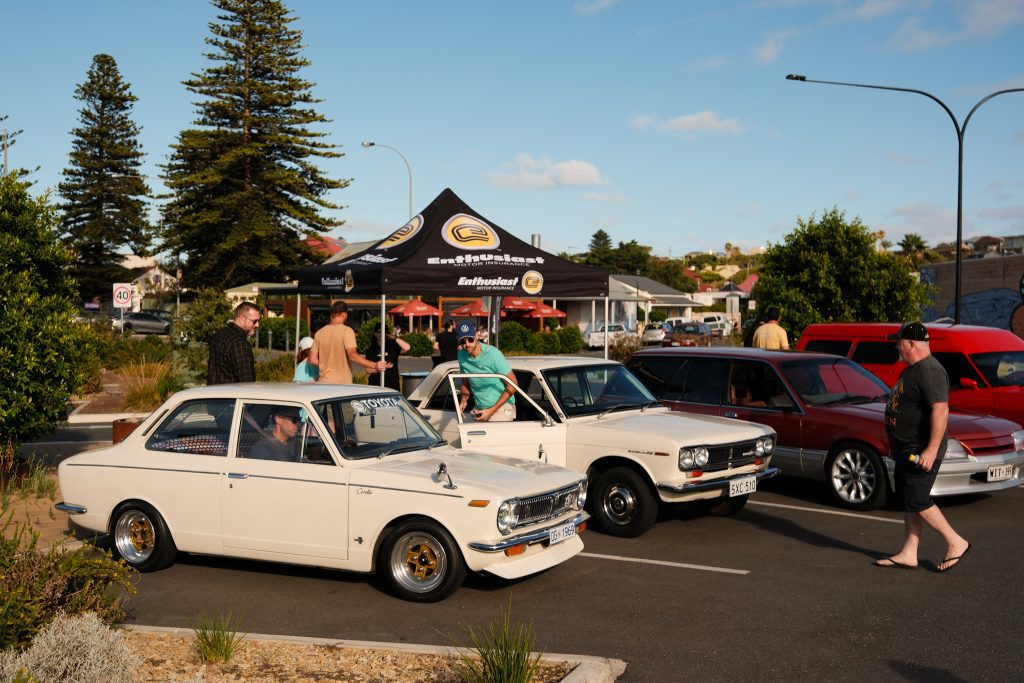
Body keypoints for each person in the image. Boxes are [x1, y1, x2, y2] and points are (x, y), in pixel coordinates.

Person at [875, 322, 971, 572]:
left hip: (921, 450)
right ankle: (909, 552)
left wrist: (930, 450)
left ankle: (955, 542)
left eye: (898, 342)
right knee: (909, 500)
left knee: (917, 498)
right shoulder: (913, 369)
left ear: (910, 344)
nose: (896, 346)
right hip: (907, 448)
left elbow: (941, 410)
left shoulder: (930, 370)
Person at [309, 301, 389, 383]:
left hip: (323, 382)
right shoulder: (347, 331)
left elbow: (312, 359)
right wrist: (375, 365)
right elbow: (352, 355)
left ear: (331, 315)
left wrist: (327, 365)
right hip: (342, 385)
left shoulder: (319, 333)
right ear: (344, 314)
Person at [456, 320, 517, 422]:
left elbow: (513, 384)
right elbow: (465, 382)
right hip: (480, 408)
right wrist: (463, 399)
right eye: (462, 341)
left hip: (502, 408)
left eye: (470, 339)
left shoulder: (493, 354)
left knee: (490, 436)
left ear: (477, 335)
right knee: (470, 435)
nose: (467, 344)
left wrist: (491, 411)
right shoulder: (461, 355)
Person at [207, 301, 260, 385]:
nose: (257, 325)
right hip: (231, 396)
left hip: (213, 394)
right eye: (254, 321)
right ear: (242, 318)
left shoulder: (218, 334)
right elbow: (247, 383)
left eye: (258, 321)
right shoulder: (239, 343)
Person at [366, 327, 411, 392]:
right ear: (375, 333)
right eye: (379, 332)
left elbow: (407, 347)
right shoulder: (371, 350)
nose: (381, 334)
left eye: (384, 332)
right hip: (375, 386)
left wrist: (394, 338)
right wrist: (380, 368)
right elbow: (368, 370)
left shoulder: (392, 347)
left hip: (392, 386)